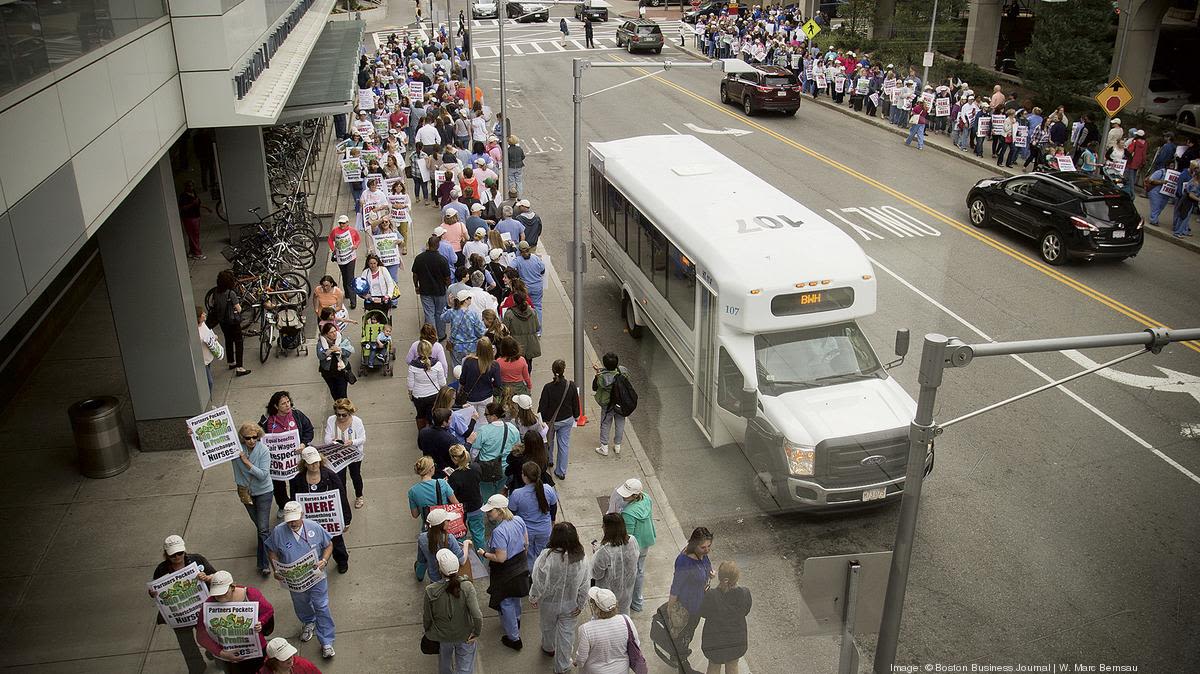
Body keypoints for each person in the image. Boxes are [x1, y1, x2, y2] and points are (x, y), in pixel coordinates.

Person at [265, 502, 337, 659]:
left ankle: (326, 642)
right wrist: (276, 569)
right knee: (301, 604)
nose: (292, 523)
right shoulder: (279, 532)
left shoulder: (314, 527)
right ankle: (308, 622)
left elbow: (329, 544)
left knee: (321, 606)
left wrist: (324, 561)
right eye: (289, 520)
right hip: (295, 581)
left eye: (295, 519)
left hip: (316, 577)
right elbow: (272, 550)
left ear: (302, 515)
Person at [150, 535, 215, 673]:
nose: (177, 556)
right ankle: (196, 667)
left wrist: (207, 577)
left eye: (180, 552)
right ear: (166, 554)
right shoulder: (161, 569)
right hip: (179, 614)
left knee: (208, 635)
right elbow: (156, 590)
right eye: (173, 554)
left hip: (199, 609)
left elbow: (216, 575)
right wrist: (153, 593)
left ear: (184, 550)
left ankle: (213, 652)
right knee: (186, 644)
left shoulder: (197, 560)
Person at [530, 522, 590, 673]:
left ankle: (548, 647)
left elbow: (538, 579)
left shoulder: (546, 556)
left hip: (549, 603)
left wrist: (534, 596)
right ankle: (562, 666)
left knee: (547, 627)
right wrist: (581, 604)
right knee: (567, 635)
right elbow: (585, 583)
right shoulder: (581, 557)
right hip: (571, 603)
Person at [480, 494, 532, 651]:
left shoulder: (499, 532)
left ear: (500, 511)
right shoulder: (518, 520)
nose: (487, 514)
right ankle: (516, 620)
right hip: (521, 565)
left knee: (506, 601)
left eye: (490, 511)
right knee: (515, 597)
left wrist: (483, 553)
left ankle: (514, 638)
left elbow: (500, 558)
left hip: (506, 571)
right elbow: (526, 543)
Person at [195, 570, 273, 673]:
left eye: (223, 592)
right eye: (216, 594)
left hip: (256, 652)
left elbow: (268, 610)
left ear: (233, 587)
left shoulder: (251, 595)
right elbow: (201, 636)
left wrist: (260, 622)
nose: (219, 597)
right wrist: (222, 653)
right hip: (228, 658)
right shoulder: (208, 605)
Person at [289, 446, 352, 574]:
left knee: (336, 540)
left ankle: (342, 560)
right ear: (305, 464)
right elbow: (294, 501)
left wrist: (346, 519)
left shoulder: (331, 476)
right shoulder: (297, 480)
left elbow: (342, 497)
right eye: (311, 463)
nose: (314, 465)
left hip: (331, 520)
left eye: (316, 462)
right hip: (310, 521)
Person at [423, 548, 484, 674]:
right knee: (465, 668)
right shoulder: (466, 586)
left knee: (445, 664)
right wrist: (476, 632)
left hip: (442, 635)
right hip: (465, 634)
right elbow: (477, 615)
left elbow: (427, 617)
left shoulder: (430, 590)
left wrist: (428, 630)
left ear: (440, 569)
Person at [259, 391, 316, 513]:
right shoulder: (267, 421)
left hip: (295, 459)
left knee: (297, 482)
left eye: (288, 402)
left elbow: (309, 430)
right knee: (278, 486)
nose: (287, 405)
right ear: (276, 406)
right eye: (283, 403)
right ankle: (283, 506)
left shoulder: (297, 415)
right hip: (277, 462)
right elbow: (258, 436)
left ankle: (297, 506)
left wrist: (303, 443)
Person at [668, 527, 715, 673]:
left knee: (690, 632)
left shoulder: (701, 554)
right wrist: (670, 608)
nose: (707, 550)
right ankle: (681, 660)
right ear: (694, 545)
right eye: (703, 547)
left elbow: (706, 565)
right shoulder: (684, 562)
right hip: (687, 606)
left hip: (699, 602)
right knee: (684, 633)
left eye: (709, 546)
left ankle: (679, 653)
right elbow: (676, 587)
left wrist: (710, 574)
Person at [231, 423, 273, 577]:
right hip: (245, 492)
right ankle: (271, 542)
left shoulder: (263, 450)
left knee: (262, 528)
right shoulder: (235, 449)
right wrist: (194, 435)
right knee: (260, 527)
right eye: (248, 438)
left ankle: (264, 564)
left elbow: (263, 475)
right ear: (242, 438)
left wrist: (246, 462)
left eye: (255, 437)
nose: (251, 441)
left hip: (264, 492)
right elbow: (215, 447)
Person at [408, 456, 461, 577]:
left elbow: (415, 514)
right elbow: (456, 504)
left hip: (427, 528)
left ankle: (420, 574)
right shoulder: (442, 483)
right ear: (431, 469)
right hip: (444, 525)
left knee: (424, 553)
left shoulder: (413, 491)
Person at [699, 561, 752, 674]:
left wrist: (704, 592)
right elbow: (746, 611)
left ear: (720, 577)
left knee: (713, 667)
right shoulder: (745, 593)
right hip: (736, 641)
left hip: (715, 642)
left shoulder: (711, 595)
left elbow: (703, 612)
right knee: (733, 666)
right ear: (737, 577)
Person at [574, 586, 640, 674]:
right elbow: (636, 644)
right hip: (622, 670)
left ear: (595, 608)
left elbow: (581, 658)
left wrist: (577, 663)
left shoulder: (586, 629)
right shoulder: (626, 620)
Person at [508, 461, 559, 570]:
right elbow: (554, 506)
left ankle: (531, 578)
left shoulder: (517, 494)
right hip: (544, 530)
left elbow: (511, 513)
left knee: (529, 556)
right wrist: (553, 521)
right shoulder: (548, 489)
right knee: (543, 556)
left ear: (525, 477)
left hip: (526, 532)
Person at [617, 478, 655, 612]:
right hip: (646, 541)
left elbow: (628, 537)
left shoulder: (628, 513)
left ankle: (635, 601)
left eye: (627, 494)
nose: (623, 495)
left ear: (635, 495)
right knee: (640, 571)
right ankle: (637, 602)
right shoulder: (647, 498)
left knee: (631, 574)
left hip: (635, 547)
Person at [538, 359, 579, 480]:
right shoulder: (570, 385)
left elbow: (542, 406)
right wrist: (576, 416)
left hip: (551, 421)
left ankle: (549, 460)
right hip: (567, 420)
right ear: (564, 370)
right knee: (564, 445)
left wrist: (542, 420)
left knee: (549, 442)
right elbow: (575, 403)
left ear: (552, 370)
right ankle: (561, 471)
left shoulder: (548, 388)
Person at [591, 513, 640, 615]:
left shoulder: (604, 552)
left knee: (605, 619)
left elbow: (596, 574)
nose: (602, 527)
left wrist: (596, 553)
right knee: (624, 615)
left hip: (607, 595)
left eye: (603, 525)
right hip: (627, 590)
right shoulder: (632, 541)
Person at [324, 398, 367, 509]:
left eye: (344, 415)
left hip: (353, 455)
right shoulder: (331, 420)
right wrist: (333, 441)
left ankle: (359, 495)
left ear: (350, 413)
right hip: (338, 455)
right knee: (339, 478)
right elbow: (327, 437)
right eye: (338, 415)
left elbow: (362, 438)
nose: (341, 418)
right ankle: (342, 499)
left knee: (355, 476)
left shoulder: (357, 421)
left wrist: (352, 442)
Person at [474, 402, 520, 502]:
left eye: (486, 414)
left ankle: (490, 513)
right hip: (504, 468)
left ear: (494, 416)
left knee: (487, 496)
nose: (485, 416)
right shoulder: (512, 428)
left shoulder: (483, 430)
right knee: (500, 494)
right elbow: (517, 449)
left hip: (486, 469)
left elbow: (474, 452)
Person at [211, 270, 251, 377]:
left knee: (228, 340)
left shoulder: (216, 292)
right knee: (238, 342)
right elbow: (239, 309)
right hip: (232, 321)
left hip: (222, 321)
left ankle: (231, 362)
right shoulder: (231, 293)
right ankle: (240, 367)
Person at [413, 235, 453, 341]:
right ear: (438, 245)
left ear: (428, 244)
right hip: (440, 291)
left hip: (425, 291)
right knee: (439, 313)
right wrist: (448, 289)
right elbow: (447, 278)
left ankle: (431, 336)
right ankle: (440, 335)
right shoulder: (442, 260)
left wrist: (416, 286)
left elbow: (415, 274)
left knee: (429, 313)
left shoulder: (419, 258)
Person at [447, 444, 486, 550]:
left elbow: (452, 494)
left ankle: (462, 557)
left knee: (459, 535)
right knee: (478, 535)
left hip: (462, 510)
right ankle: (481, 558)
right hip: (476, 505)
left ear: (455, 459)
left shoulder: (454, 476)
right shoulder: (476, 467)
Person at [417, 508, 470, 582]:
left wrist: (419, 575)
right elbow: (462, 560)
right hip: (450, 578)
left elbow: (421, 560)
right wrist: (466, 544)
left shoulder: (422, 538)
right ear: (442, 524)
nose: (449, 521)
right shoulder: (449, 538)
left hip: (434, 578)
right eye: (447, 520)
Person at [592, 352, 629, 456]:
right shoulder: (622, 372)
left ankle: (604, 447)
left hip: (607, 404)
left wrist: (598, 373)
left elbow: (597, 386)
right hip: (620, 403)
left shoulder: (602, 378)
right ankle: (617, 445)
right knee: (620, 422)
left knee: (605, 423)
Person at [443, 289, 487, 373]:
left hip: (456, 346)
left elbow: (443, 318)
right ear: (465, 300)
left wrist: (449, 305)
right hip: (471, 347)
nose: (471, 299)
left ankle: (459, 384)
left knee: (458, 370)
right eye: (469, 298)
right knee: (471, 370)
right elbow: (481, 331)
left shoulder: (452, 312)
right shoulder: (473, 314)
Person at [408, 339, 449, 427]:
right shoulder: (437, 364)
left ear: (418, 351)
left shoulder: (413, 366)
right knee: (433, 415)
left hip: (419, 396)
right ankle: (432, 428)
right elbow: (442, 383)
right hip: (434, 395)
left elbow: (410, 384)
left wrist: (410, 394)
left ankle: (422, 432)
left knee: (420, 415)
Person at [458, 337, 501, 419]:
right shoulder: (494, 365)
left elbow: (462, 380)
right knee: (484, 421)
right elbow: (498, 384)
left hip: (470, 397)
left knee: (470, 421)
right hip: (486, 397)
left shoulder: (468, 361)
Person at [327, 215, 361, 310]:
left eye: (344, 223)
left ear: (347, 223)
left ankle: (353, 300)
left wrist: (355, 245)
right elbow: (330, 239)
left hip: (350, 258)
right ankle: (347, 293)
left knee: (350, 278)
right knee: (344, 276)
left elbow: (358, 239)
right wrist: (333, 249)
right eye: (340, 223)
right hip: (341, 258)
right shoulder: (335, 231)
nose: (342, 225)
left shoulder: (352, 231)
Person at [501, 291, 541, 372]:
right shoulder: (532, 312)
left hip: (516, 344)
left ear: (514, 301)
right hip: (531, 343)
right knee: (528, 364)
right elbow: (537, 327)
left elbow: (505, 331)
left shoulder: (509, 314)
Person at [316, 323, 354, 400]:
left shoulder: (341, 340)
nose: (334, 334)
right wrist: (329, 351)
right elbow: (320, 356)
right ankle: (338, 407)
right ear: (326, 334)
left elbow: (348, 353)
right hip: (328, 372)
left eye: (335, 331)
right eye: (331, 332)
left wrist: (340, 350)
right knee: (334, 392)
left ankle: (345, 409)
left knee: (343, 393)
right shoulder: (321, 343)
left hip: (341, 371)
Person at [511, 240, 546, 326]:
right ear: (529, 249)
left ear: (519, 251)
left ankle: (528, 325)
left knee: (524, 307)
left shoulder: (518, 260)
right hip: (537, 287)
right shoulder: (535, 258)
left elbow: (510, 269)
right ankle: (538, 329)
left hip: (525, 288)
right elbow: (543, 270)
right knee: (537, 307)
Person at [178, 180, 210, 260]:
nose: (191, 188)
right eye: (189, 186)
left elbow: (198, 203)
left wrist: (206, 207)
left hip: (196, 216)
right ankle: (197, 253)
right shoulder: (183, 196)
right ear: (186, 187)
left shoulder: (193, 193)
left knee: (193, 235)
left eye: (192, 186)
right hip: (189, 218)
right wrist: (192, 204)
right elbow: (183, 208)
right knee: (193, 235)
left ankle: (192, 251)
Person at [197, 306, 223, 397]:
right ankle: (208, 398)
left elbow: (209, 335)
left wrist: (214, 337)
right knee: (209, 382)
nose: (205, 314)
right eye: (202, 314)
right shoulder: (196, 332)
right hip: (202, 360)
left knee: (207, 379)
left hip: (208, 357)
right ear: (198, 318)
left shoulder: (203, 325)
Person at [497, 335, 532, 401]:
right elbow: (526, 377)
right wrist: (529, 386)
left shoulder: (498, 362)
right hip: (519, 388)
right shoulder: (522, 360)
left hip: (504, 388)